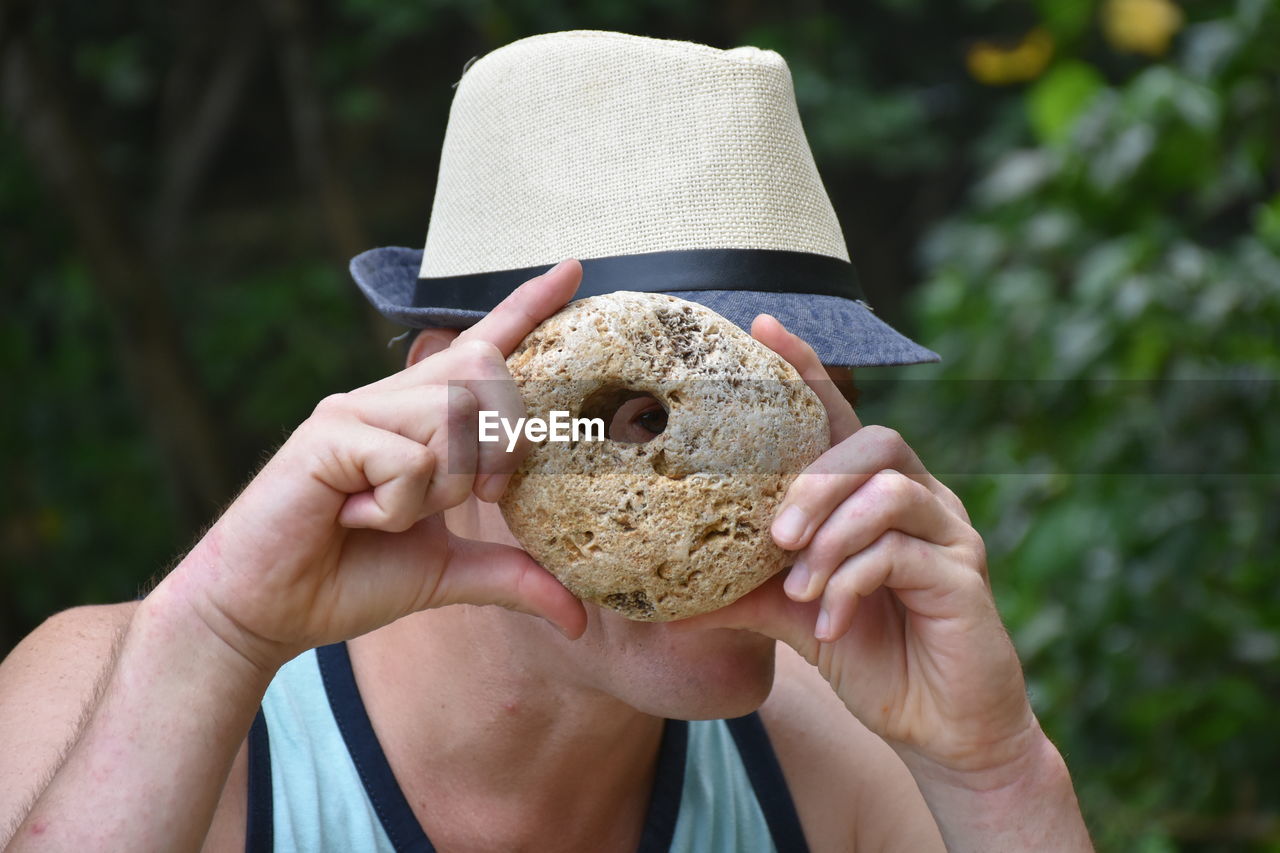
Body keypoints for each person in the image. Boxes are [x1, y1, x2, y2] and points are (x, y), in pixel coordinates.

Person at [0, 31, 1094, 851]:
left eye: (804, 401)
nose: (765, 496)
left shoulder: (837, 766)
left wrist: (996, 775)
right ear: (446, 388)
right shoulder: (129, 701)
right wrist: (221, 630)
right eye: (647, 419)